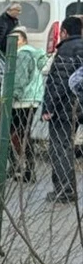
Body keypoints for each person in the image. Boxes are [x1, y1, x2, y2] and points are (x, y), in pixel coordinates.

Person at [41, 15, 82, 203]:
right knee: (66, 147)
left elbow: (58, 82)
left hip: (64, 108)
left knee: (60, 148)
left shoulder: (66, 50)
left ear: (64, 32)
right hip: (77, 106)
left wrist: (48, 107)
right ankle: (67, 189)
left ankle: (64, 190)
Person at [10, 27, 47, 184]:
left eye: (16, 39)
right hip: (30, 98)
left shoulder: (23, 54)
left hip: (22, 100)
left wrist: (12, 95)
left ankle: (25, 168)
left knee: (17, 134)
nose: (13, 43)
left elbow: (20, 78)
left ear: (24, 41)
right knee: (21, 134)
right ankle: (23, 167)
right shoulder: (26, 54)